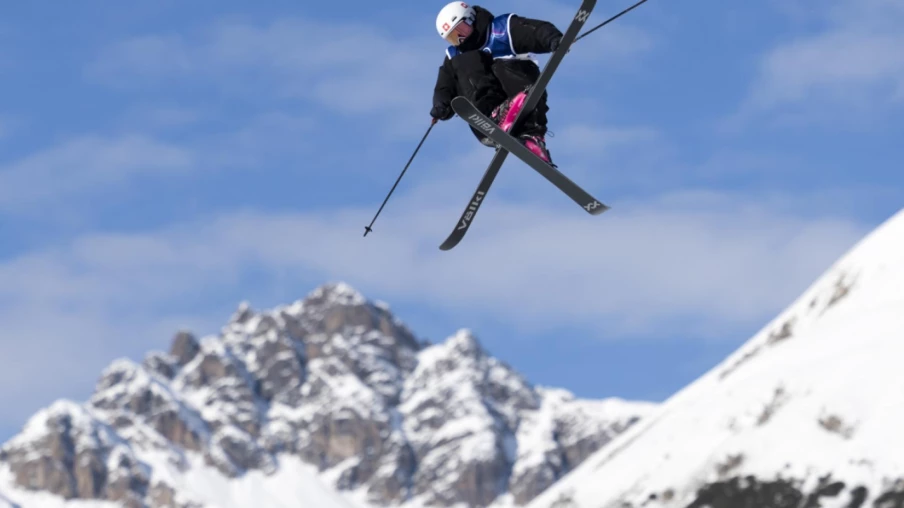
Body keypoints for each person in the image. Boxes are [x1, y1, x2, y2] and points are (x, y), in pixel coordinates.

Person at [430, 2, 564, 164]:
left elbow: (533, 31)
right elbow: (445, 85)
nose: (461, 40)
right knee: (466, 62)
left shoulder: (500, 30)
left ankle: (532, 137)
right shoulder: (455, 55)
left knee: (497, 64)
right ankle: (493, 119)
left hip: (520, 87)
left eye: (461, 31)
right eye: (454, 38)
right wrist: (440, 106)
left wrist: (553, 39)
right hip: (484, 117)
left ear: (471, 19)